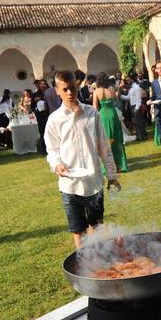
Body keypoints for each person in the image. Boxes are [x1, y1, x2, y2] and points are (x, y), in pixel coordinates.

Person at [45, 70, 120, 248]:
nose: (70, 93)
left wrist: (111, 174)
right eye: (65, 90)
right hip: (69, 184)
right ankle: (85, 267)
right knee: (78, 232)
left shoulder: (91, 114)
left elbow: (104, 147)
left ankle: (101, 263)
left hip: (93, 182)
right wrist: (56, 165)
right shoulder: (54, 120)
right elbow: (52, 150)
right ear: (57, 90)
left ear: (77, 87)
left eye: (72, 88)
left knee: (96, 228)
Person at [91, 72, 128, 173]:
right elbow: (116, 99)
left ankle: (108, 167)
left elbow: (95, 108)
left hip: (103, 116)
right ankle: (120, 165)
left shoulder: (96, 92)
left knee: (106, 140)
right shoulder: (111, 89)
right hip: (113, 114)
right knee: (117, 139)